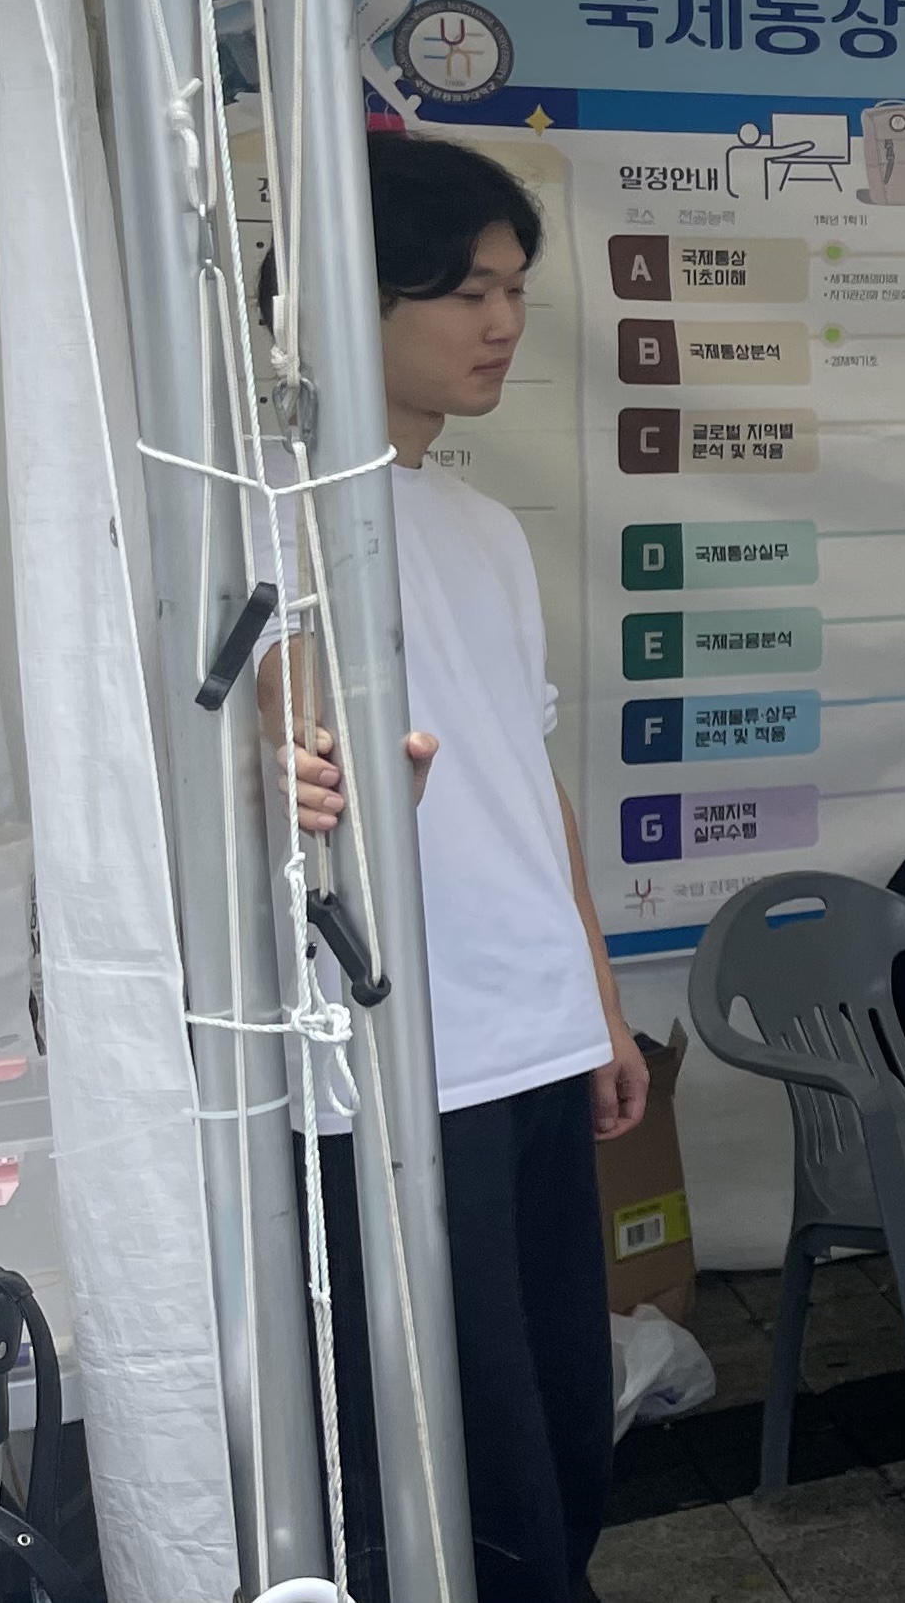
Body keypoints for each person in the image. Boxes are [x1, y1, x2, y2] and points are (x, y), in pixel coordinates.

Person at [269, 133, 642, 1603]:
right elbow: (255, 755)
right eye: (468, 291)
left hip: (532, 1036)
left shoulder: (483, 529)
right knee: (455, 1460)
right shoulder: (268, 513)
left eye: (514, 291)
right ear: (350, 297)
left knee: (561, 1415)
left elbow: (528, 787)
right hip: (398, 1062)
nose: (503, 323)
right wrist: (283, 774)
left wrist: (599, 1008)